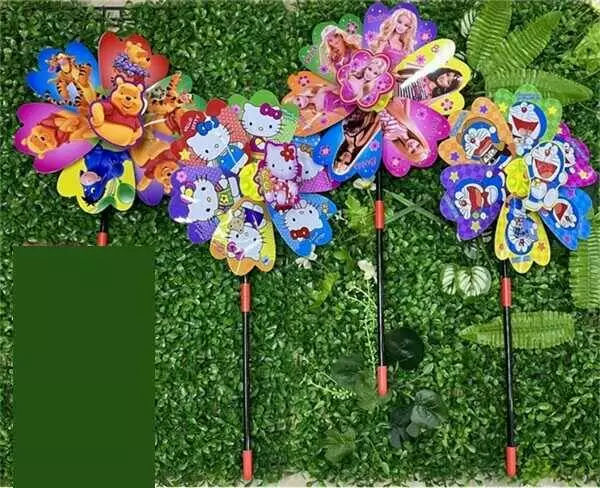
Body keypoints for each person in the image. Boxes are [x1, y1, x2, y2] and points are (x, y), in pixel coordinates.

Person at [380, 98, 429, 163]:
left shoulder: (389, 137)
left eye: (412, 151)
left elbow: (376, 123)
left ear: (407, 153)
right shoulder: (406, 123)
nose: (412, 145)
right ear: (419, 141)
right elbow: (407, 99)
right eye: (418, 145)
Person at [333, 110, 381, 175]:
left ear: (337, 156)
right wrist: (381, 110)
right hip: (370, 108)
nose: (344, 158)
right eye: (346, 162)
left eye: (340, 160)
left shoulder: (342, 136)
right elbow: (375, 123)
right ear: (351, 162)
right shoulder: (359, 143)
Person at [395, 67, 463, 101]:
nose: (444, 78)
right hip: (390, 84)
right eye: (447, 74)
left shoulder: (429, 99)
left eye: (448, 82)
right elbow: (398, 75)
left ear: (447, 88)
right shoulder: (422, 73)